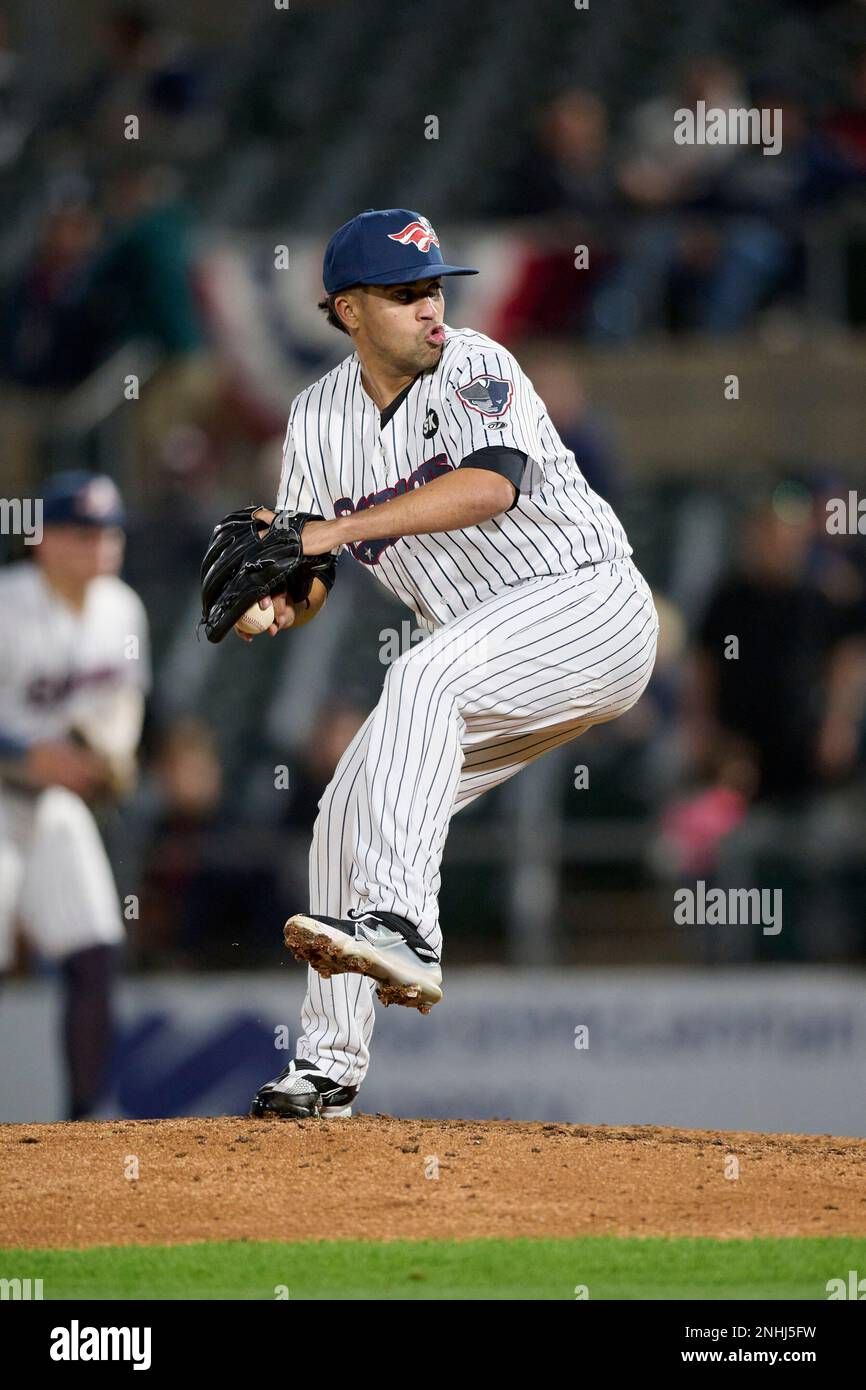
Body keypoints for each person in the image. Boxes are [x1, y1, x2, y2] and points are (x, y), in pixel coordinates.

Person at [244, 208, 658, 1119]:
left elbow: (491, 484)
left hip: (586, 605)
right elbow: (310, 568)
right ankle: (326, 1069)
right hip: (491, 657)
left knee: (420, 679)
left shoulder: (475, 363)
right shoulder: (316, 420)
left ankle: (405, 932)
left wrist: (339, 528)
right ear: (348, 310)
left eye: (436, 287)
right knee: (348, 810)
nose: (433, 307)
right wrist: (283, 603)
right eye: (406, 294)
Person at [0, 472, 150, 1118]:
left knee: (93, 949)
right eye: (83, 532)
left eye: (109, 532)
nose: (100, 545)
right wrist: (25, 756)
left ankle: (82, 1131)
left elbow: (124, 702)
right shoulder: (8, 604)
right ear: (44, 541)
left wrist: (112, 753)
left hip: (54, 804)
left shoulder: (123, 608)